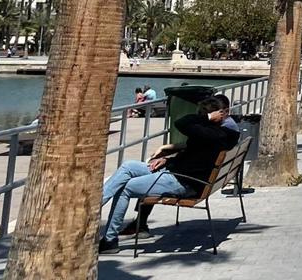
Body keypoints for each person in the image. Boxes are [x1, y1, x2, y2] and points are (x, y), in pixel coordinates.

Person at [100, 95, 238, 252]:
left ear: (215, 115)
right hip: (180, 172)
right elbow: (194, 155)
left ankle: (110, 240)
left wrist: (206, 117)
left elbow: (182, 122)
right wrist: (168, 160)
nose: (199, 116)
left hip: (183, 182)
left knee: (126, 187)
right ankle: (98, 204)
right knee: (128, 166)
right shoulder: (222, 132)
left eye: (201, 113)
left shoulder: (215, 134)